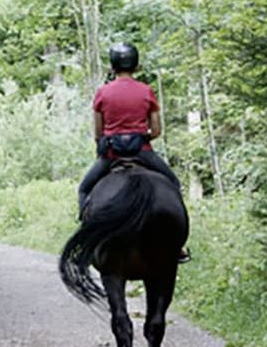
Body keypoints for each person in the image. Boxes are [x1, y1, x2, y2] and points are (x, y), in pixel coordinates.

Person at [78, 42, 190, 263]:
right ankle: (177, 246)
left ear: (112, 66)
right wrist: (141, 137)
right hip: (142, 152)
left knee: (84, 189)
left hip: (111, 155)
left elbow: (98, 133)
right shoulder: (146, 91)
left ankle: (89, 242)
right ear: (136, 65)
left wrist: (107, 144)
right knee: (173, 185)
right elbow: (156, 130)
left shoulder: (103, 92)